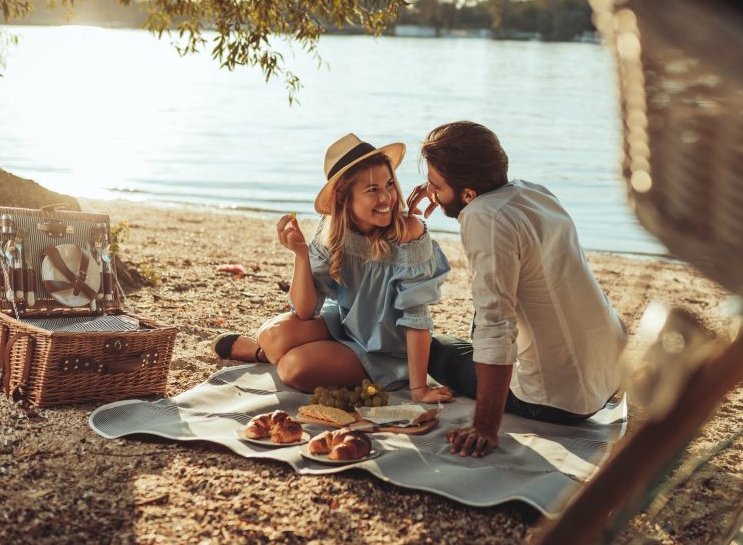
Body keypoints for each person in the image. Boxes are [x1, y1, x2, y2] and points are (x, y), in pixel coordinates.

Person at [406, 121, 628, 457]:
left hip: (557, 400)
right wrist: (445, 190)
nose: (430, 193)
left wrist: (484, 426)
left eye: (436, 186)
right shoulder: (532, 192)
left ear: (468, 193)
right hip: (610, 371)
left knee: (430, 349)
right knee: (471, 332)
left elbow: (496, 327)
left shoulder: (484, 218)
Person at [213, 133, 453, 404]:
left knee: (293, 368)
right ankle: (263, 351)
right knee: (271, 336)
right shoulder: (332, 230)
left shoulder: (409, 233)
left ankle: (270, 355)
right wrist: (301, 255)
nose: (387, 197)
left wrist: (419, 389)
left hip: (385, 349)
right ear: (343, 197)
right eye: (372, 190)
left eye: (389, 185)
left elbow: (417, 316)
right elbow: (304, 310)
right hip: (343, 323)